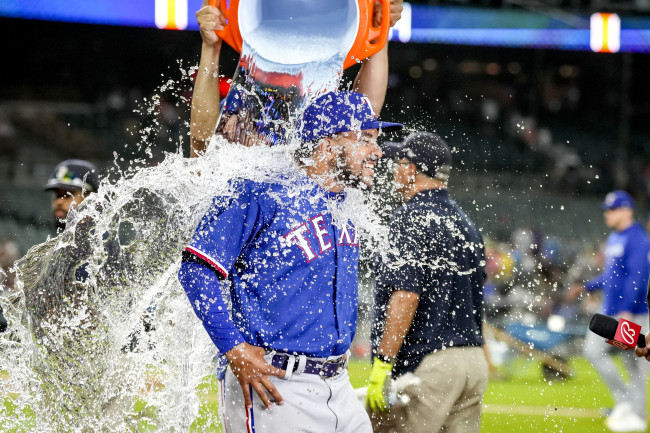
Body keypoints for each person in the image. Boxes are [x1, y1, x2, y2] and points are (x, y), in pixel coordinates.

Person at [178, 90, 402, 432]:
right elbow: (196, 270)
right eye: (366, 139)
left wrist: (377, 43)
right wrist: (234, 350)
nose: (378, 151)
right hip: (276, 385)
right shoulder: (260, 190)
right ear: (326, 146)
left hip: (338, 382)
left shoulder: (347, 202)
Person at [366, 132, 488, 433]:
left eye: (400, 162)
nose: (394, 169)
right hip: (472, 362)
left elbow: (406, 296)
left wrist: (383, 363)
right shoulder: (465, 222)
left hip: (429, 365)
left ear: (412, 169)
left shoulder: (411, 216)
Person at [189, 0, 404, 157]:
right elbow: (201, 146)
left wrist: (378, 26)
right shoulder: (237, 142)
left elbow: (365, 114)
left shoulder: (315, 128)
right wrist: (210, 46)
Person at [570, 190, 650, 432]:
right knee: (621, 359)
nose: (607, 213)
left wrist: (626, 310)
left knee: (614, 357)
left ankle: (629, 407)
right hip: (612, 310)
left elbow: (638, 277)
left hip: (629, 313)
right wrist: (587, 286)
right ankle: (629, 408)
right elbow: (612, 275)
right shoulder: (616, 238)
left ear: (627, 210)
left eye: (612, 209)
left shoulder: (637, 239)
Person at [44, 159, 100, 232]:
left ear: (91, 197)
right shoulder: (49, 236)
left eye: (68, 194)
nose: (59, 201)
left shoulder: (104, 241)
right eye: (58, 195)